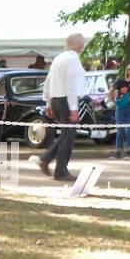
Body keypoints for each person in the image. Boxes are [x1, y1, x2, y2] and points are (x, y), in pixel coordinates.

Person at [33, 32, 85, 181]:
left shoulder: (58, 58)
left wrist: (48, 102)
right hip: (66, 100)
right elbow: (71, 85)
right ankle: (60, 170)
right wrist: (74, 109)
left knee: (65, 135)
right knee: (68, 137)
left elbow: (48, 81)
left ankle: (47, 160)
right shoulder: (72, 60)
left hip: (56, 99)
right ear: (79, 46)